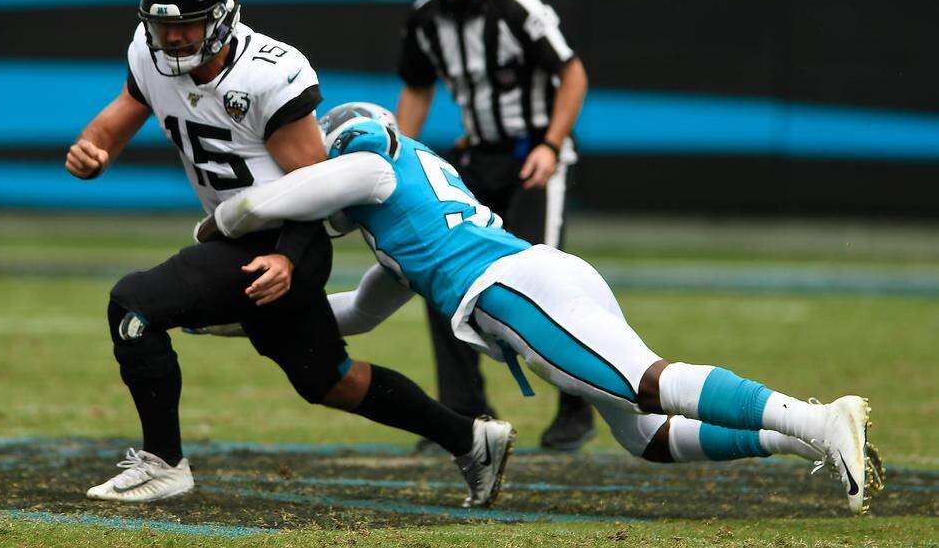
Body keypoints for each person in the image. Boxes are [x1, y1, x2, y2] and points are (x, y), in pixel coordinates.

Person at [198, 102, 885, 516]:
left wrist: (226, 219)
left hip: (514, 286)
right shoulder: (398, 227)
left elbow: (311, 186)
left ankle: (822, 418)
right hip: (542, 277)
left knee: (647, 379)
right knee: (643, 435)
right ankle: (802, 437)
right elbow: (350, 314)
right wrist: (229, 317)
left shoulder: (377, 162)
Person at [65, 0, 513, 506]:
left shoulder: (267, 74)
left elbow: (320, 187)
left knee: (133, 307)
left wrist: (289, 259)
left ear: (223, 16)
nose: (174, 40)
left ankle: (164, 463)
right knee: (329, 380)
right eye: (162, 26)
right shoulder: (150, 54)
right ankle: (471, 438)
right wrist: (95, 150)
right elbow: (120, 115)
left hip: (281, 242)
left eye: (188, 26)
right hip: (238, 238)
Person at [395, 0, 593, 452]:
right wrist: (403, 158)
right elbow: (416, 86)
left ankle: (577, 404)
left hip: (533, 160)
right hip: (476, 160)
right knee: (439, 276)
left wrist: (551, 145)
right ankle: (464, 412)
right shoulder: (425, 17)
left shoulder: (514, 6)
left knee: (543, 288)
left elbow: (572, 72)